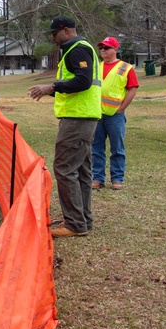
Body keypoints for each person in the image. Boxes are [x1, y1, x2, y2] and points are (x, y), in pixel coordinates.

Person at [28, 16, 101, 238]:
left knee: (65, 168)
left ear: (66, 31)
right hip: (83, 117)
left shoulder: (77, 49)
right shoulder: (77, 49)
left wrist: (52, 86)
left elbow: (83, 81)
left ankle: (75, 223)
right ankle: (82, 219)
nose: (52, 38)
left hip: (77, 119)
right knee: (81, 171)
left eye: (54, 34)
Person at [92, 37, 139, 191]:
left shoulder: (126, 68)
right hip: (97, 114)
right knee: (96, 148)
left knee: (117, 148)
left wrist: (121, 108)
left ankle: (117, 179)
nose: (103, 50)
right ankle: (97, 178)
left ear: (115, 50)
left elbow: (133, 88)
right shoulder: (96, 67)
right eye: (101, 48)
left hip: (115, 115)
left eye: (107, 47)